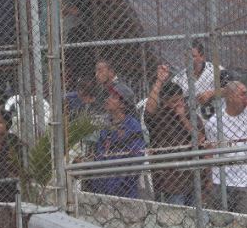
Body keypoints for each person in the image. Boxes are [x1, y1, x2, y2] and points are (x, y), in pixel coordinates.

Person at [204, 80, 247, 214]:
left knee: (246, 221)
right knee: (219, 222)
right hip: (220, 180)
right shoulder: (214, 121)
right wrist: (209, 179)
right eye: (242, 94)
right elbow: (209, 151)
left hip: (244, 181)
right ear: (230, 97)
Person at [144, 66, 197, 205]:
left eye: (181, 100)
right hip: (169, 181)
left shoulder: (190, 114)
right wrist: (159, 81)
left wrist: (183, 117)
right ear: (165, 102)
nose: (179, 104)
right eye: (174, 102)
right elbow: (149, 108)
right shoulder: (160, 116)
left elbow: (200, 138)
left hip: (192, 178)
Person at [90, 89, 145, 198]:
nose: (107, 99)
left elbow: (137, 159)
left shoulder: (133, 126)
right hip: (102, 187)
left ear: (123, 105)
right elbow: (99, 154)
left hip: (124, 189)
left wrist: (121, 184)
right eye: (109, 96)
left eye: (113, 97)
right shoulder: (106, 126)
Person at [172, 41, 222, 118]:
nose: (188, 59)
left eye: (193, 56)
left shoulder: (216, 70)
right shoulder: (178, 79)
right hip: (192, 120)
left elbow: (231, 89)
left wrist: (211, 94)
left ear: (202, 57)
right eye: (186, 56)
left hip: (217, 117)